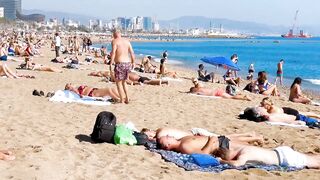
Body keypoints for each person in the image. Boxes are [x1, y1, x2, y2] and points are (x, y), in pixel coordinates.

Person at [194, 136, 320, 169]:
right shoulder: (243, 149)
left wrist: (221, 161)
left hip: (285, 159)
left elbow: (237, 164)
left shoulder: (244, 154)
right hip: (280, 152)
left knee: (314, 162)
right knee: (311, 157)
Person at [142, 127, 263, 143]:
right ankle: (249, 133)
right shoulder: (161, 132)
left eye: (148, 134)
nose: (149, 137)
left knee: (225, 139)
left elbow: (159, 140)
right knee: (225, 137)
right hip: (196, 133)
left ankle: (255, 137)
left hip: (197, 134)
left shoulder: (160, 132)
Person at [109, 29, 135, 104]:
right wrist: (133, 62)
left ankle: (122, 100)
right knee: (124, 82)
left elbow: (113, 53)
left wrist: (111, 63)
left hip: (120, 64)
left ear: (114, 34)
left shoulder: (114, 41)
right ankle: (127, 98)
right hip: (127, 63)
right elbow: (132, 53)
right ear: (120, 34)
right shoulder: (127, 41)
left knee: (118, 83)